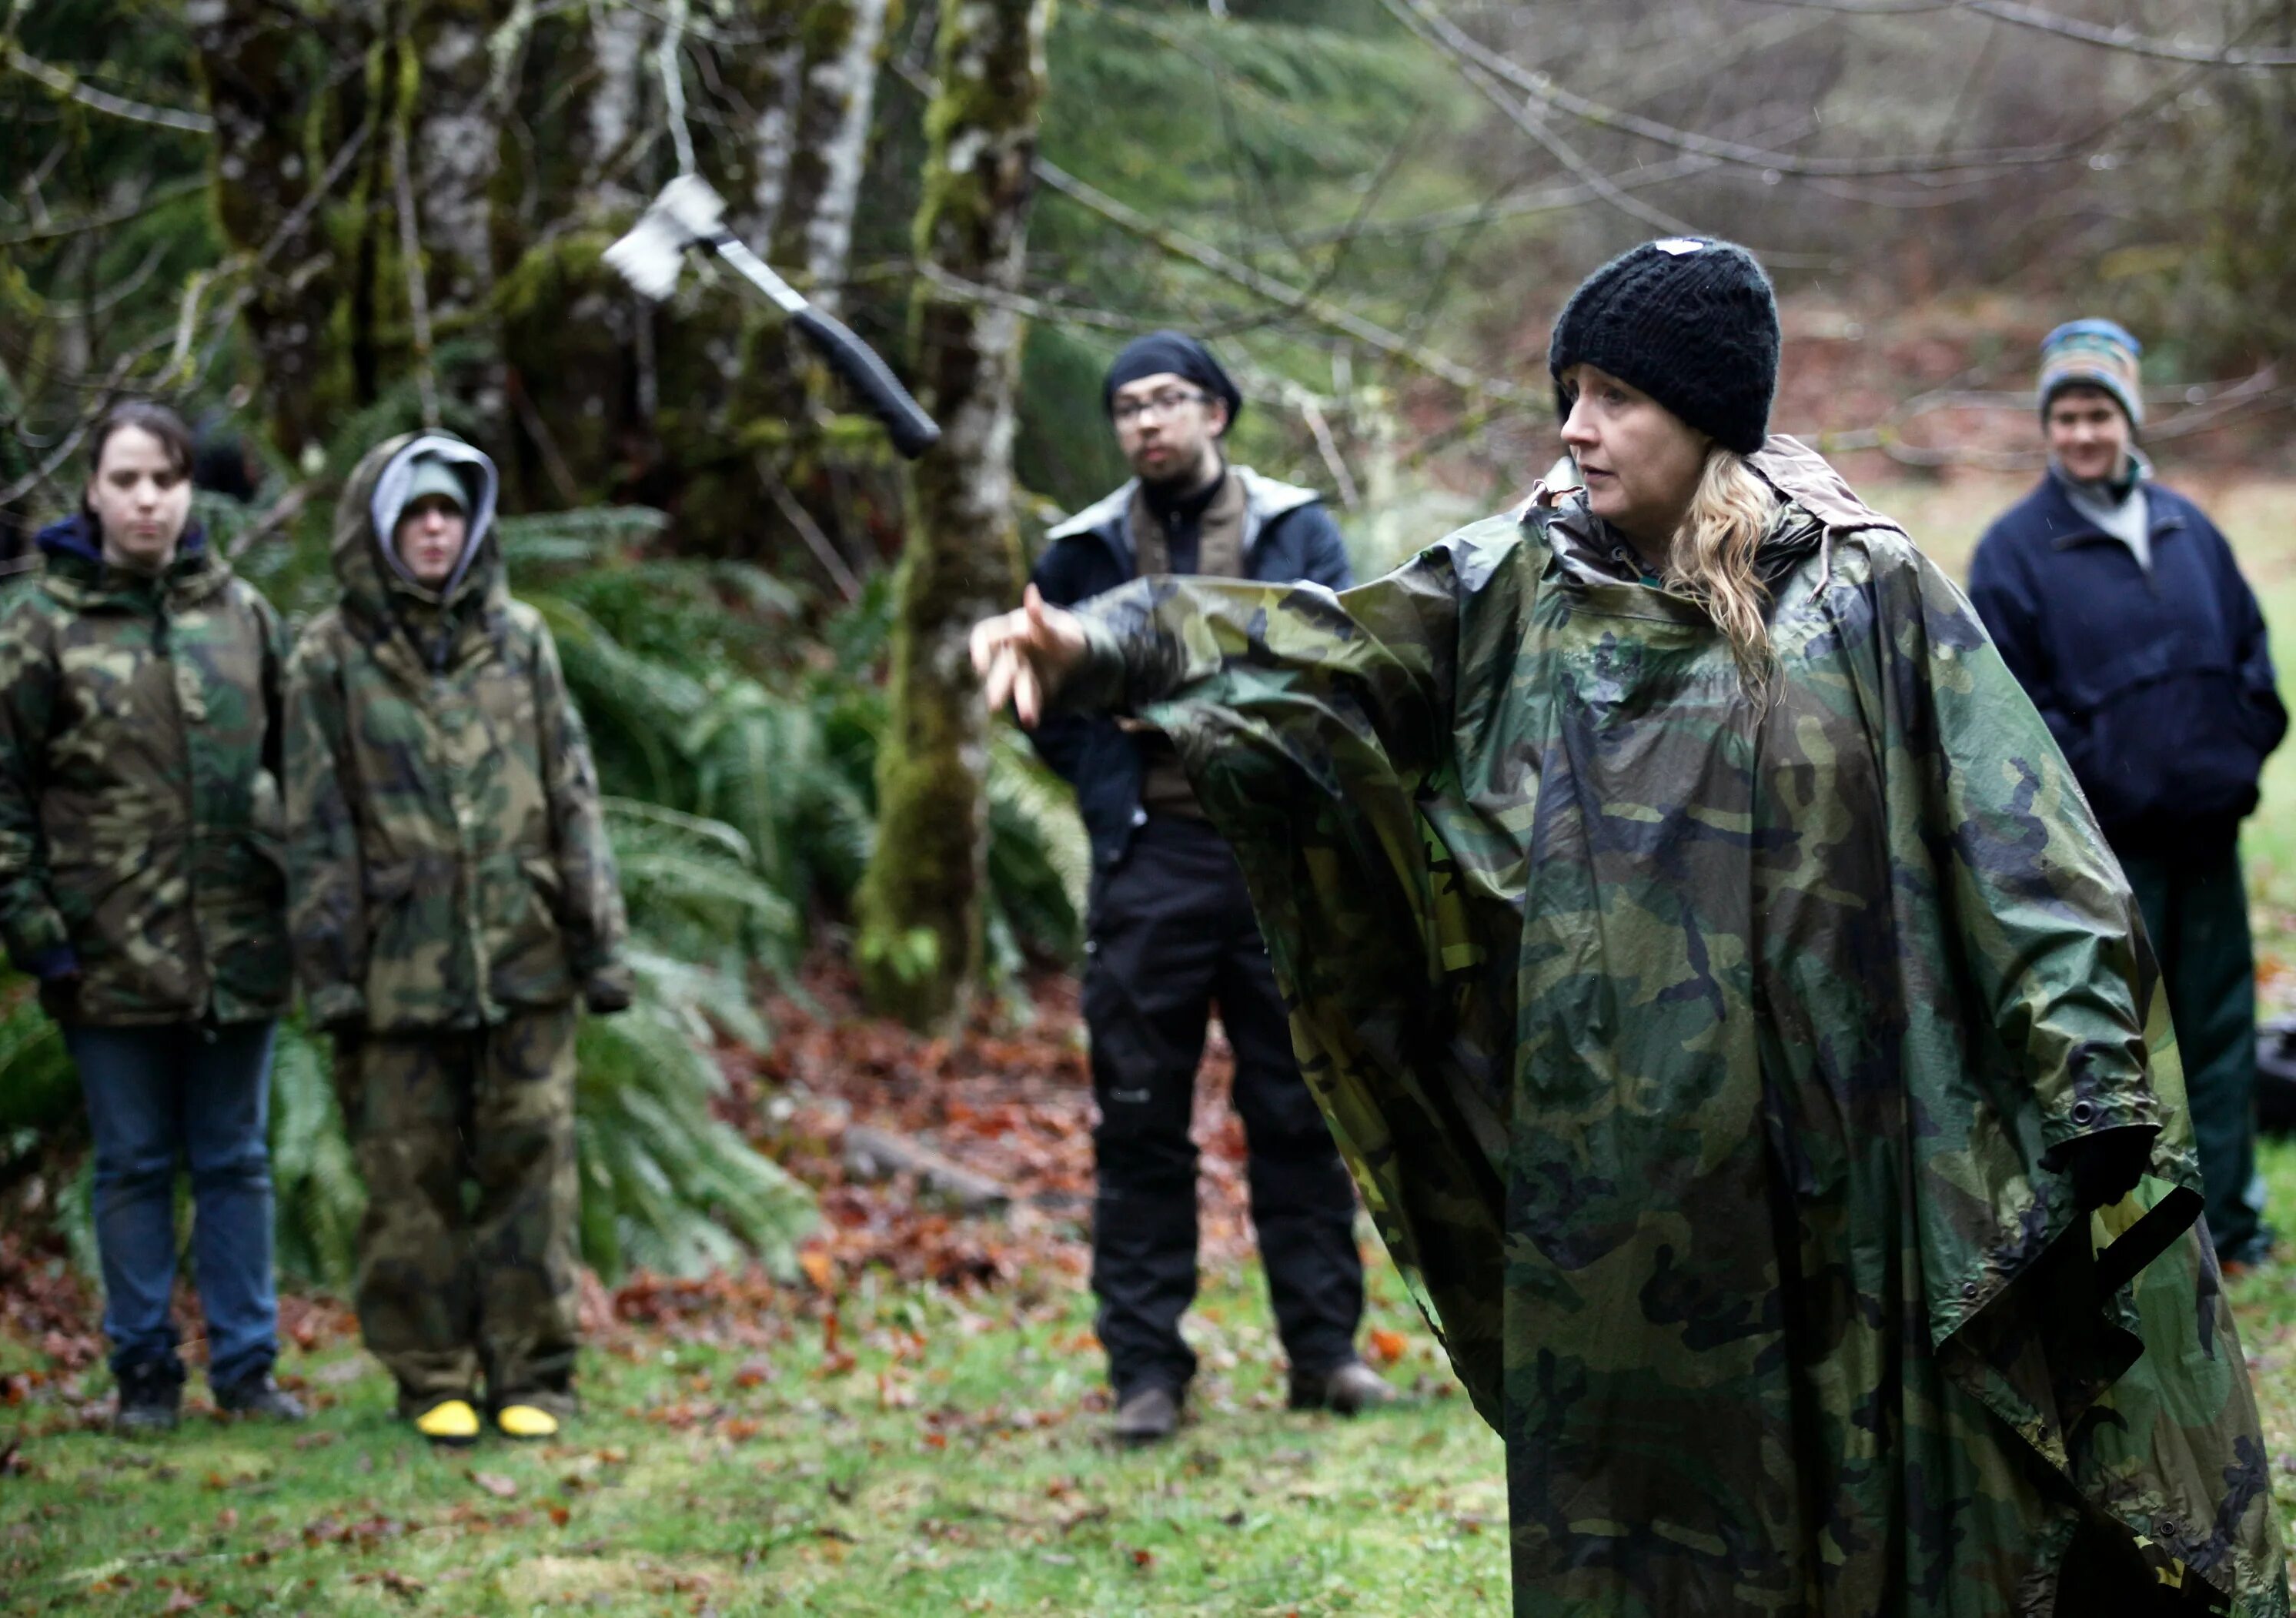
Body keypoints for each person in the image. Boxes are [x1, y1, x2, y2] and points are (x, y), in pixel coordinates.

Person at [974, 242, 2287, 1613]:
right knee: (1642, 1533)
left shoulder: (1869, 592)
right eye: (1569, 389)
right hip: (1621, 1198)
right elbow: (1328, 654)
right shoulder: (1519, 589)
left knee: (1871, 1519)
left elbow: (2026, 843)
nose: (1574, 426)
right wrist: (1105, 644)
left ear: (1707, 414)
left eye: (1614, 395)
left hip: (1854, 1180)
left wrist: (2089, 1082)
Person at [1029, 330, 1391, 1445]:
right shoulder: (1081, 550)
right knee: (1140, 1119)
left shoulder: (1295, 530)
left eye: (1169, 399)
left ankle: (1325, 1352)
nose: (1147, 421)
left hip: (1278, 854)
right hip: (1152, 861)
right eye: (1128, 405)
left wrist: (1185, 695)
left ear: (1216, 413)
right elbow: (1044, 703)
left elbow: (1335, 667)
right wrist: (1116, 755)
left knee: (1297, 1106)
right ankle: (1146, 1372)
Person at [284, 432, 631, 1447]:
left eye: (448, 509)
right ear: (378, 526)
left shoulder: (519, 638)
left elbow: (573, 792)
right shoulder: (329, 657)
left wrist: (597, 941)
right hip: (397, 967)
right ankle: (429, 1373)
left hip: (525, 957)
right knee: (408, 1176)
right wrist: (332, 970)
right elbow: (315, 823)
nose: (433, 527)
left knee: (534, 1168)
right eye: (412, 511)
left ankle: (535, 1371)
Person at [0, 401, 302, 1431]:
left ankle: (249, 1370)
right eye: (125, 480)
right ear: (93, 491)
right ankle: (145, 1376)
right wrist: (37, 928)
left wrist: (301, 889)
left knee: (235, 1157)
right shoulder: (40, 624)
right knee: (130, 1162)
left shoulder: (243, 615)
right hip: (105, 953)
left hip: (238, 949)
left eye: (163, 479)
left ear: (188, 490)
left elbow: (301, 770)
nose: (147, 500)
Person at [1970, 319, 2285, 1273]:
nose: (2080, 433)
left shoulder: (2193, 531)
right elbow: (2013, 714)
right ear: (2047, 425)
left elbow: (2255, 668)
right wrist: (2113, 782)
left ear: (2129, 417)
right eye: (2063, 415)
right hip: (2103, 859)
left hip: (2208, 841)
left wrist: (2228, 763)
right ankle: (2152, 1244)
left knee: (2223, 1033)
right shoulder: (2016, 552)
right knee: (2129, 1055)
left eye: (2097, 411)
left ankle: (2231, 1225)